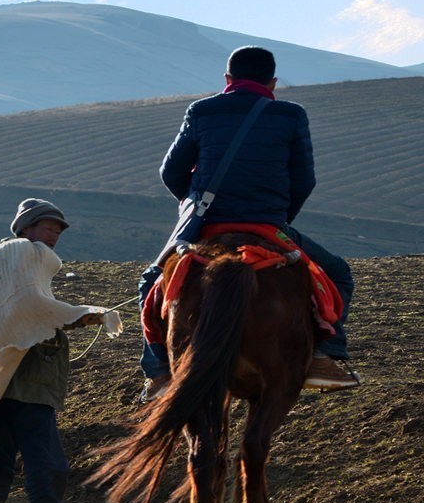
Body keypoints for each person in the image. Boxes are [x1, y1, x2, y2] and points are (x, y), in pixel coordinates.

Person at [137, 46, 359, 401]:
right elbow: (304, 180)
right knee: (338, 273)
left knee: (151, 281)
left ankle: (159, 371)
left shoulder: (201, 110)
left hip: (205, 224)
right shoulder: (291, 115)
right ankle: (324, 356)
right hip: (267, 222)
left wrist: (193, 206)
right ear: (273, 82)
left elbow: (171, 171)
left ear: (227, 79)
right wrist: (279, 218)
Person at [0, 199, 118, 503]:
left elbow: (20, 319)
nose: (55, 234)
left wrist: (72, 320)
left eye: (58, 230)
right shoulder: (25, 254)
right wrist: (81, 313)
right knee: (45, 460)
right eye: (48, 227)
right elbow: (31, 308)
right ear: (26, 228)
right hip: (29, 381)